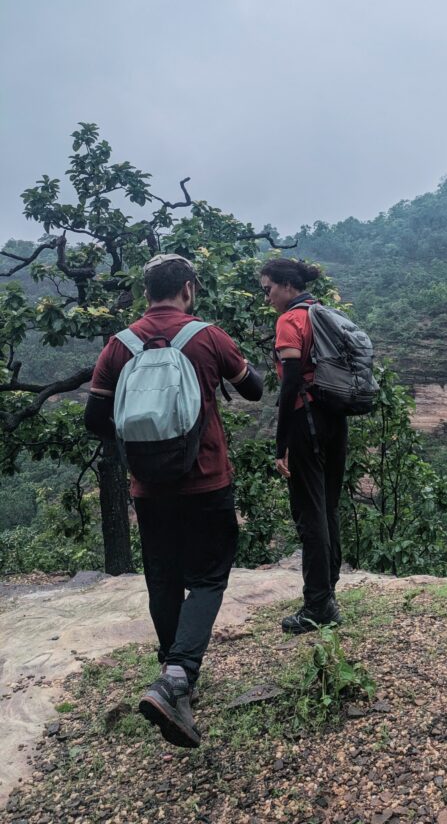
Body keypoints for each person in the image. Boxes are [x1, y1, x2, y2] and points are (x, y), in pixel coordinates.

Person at [84, 253, 263, 748]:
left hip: (149, 488)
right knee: (207, 578)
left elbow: (96, 421)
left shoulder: (118, 347)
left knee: (162, 577)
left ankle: (173, 674)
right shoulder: (207, 336)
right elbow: (253, 389)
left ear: (146, 293)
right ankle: (177, 677)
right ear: (187, 288)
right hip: (207, 480)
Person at [259, 258, 347, 634]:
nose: (267, 299)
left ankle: (316, 606)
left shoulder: (290, 321)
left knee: (309, 513)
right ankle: (327, 595)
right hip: (335, 418)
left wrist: (282, 444)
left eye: (268, 290)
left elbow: (290, 382)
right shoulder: (324, 314)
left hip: (306, 421)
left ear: (287, 285)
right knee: (327, 506)